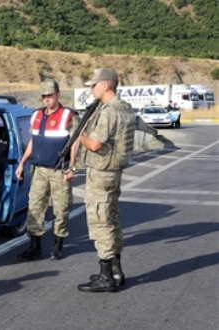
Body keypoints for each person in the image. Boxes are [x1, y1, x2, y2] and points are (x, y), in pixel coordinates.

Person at [77, 68, 135, 293]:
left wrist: (77, 132)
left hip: (102, 173)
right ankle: (116, 271)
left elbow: (95, 144)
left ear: (106, 85)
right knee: (112, 220)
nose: (91, 88)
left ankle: (105, 276)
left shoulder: (109, 111)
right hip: (113, 172)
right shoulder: (124, 107)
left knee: (101, 222)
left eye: (94, 84)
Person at [15, 79, 80, 261]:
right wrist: (22, 162)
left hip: (60, 170)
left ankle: (57, 246)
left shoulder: (69, 115)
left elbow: (74, 143)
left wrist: (72, 167)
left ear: (58, 95)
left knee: (61, 209)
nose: (47, 100)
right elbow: (32, 142)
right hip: (39, 170)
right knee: (35, 208)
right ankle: (35, 246)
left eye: (50, 96)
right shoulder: (36, 115)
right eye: (44, 96)